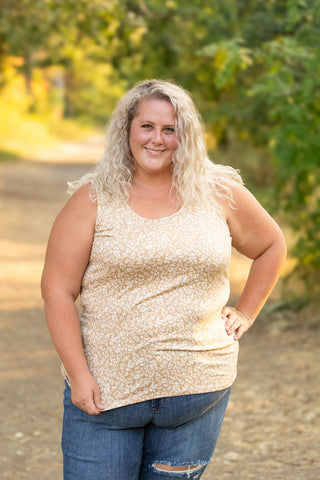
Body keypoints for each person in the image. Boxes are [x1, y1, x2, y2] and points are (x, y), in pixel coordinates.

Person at [41, 79, 286, 480]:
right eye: (147, 127)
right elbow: (57, 290)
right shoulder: (93, 198)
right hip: (106, 396)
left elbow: (272, 246)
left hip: (195, 393)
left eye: (169, 129)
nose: (157, 139)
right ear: (127, 130)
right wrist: (79, 374)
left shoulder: (219, 191)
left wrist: (246, 312)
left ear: (185, 136)